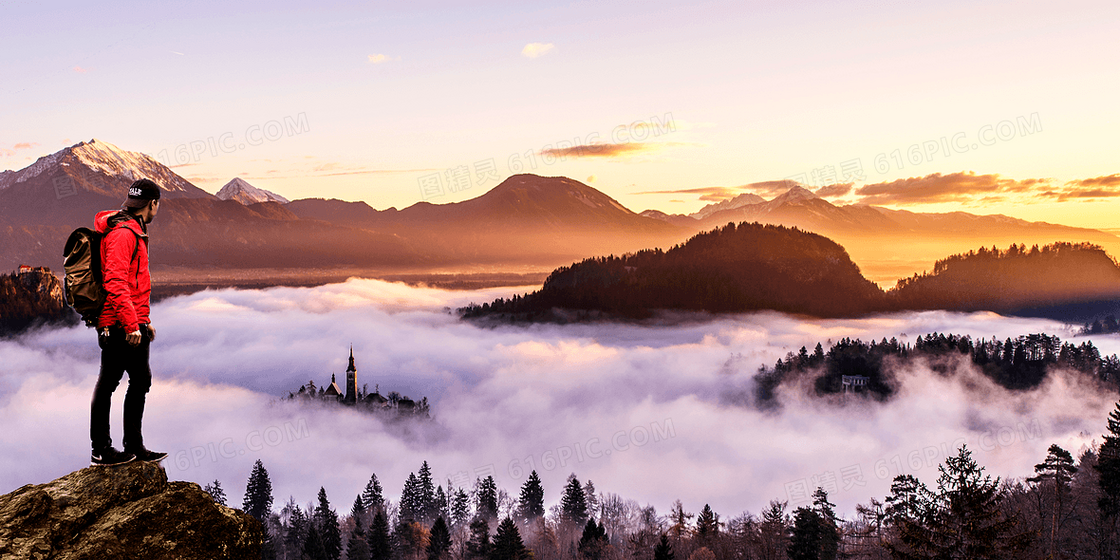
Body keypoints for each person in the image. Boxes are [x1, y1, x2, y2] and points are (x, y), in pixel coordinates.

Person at [89, 178, 167, 466]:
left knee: (141, 380)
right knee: (109, 383)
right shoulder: (124, 234)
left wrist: (144, 321)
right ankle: (101, 450)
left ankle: (134, 446)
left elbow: (135, 284)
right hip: (118, 323)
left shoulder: (134, 230)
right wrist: (131, 324)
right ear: (153, 204)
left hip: (132, 320)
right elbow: (115, 282)